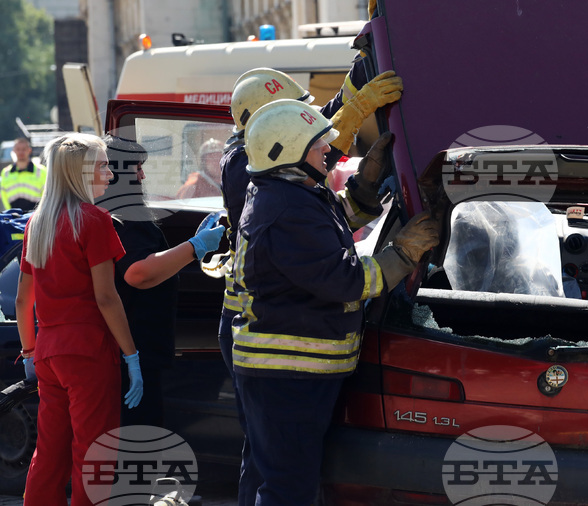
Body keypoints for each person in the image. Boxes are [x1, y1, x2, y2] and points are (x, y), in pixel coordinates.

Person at [233, 99, 438, 505]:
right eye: (316, 145)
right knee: (287, 488)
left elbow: (333, 222)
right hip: (287, 376)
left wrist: (366, 181)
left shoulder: (291, 193)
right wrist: (402, 253)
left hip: (291, 374)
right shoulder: (286, 208)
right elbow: (344, 280)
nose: (327, 150)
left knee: (278, 478)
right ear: (287, 152)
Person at [14, 133, 144, 505]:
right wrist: (131, 355)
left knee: (49, 451)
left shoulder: (35, 223)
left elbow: (24, 299)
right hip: (88, 351)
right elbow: (106, 297)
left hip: (48, 351)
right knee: (95, 452)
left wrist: (28, 353)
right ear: (79, 172)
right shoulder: (95, 220)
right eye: (102, 165)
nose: (110, 173)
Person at [101, 135, 225, 427]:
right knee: (138, 438)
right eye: (137, 168)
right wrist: (194, 247)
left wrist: (191, 244)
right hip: (133, 349)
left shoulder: (110, 208)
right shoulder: (126, 214)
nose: (143, 175)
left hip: (127, 347)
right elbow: (138, 273)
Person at [1, 136, 46, 211]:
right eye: (18, 149)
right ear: (14, 151)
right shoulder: (6, 172)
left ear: (29, 150)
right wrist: (10, 212)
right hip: (13, 217)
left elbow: (46, 194)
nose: (21, 152)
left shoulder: (41, 171)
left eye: (24, 149)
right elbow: (3, 195)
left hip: (35, 216)